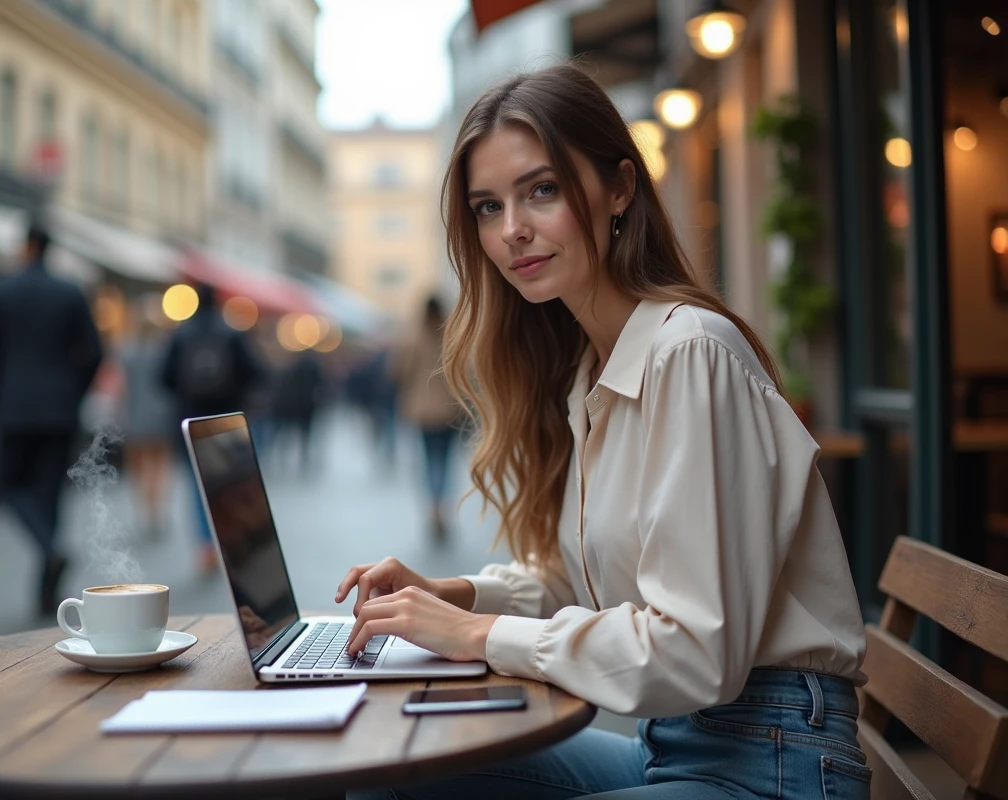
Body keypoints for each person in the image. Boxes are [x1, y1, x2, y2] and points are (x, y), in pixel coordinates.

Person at [338, 65, 868, 800]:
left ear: (620, 187)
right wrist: (452, 594)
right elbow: (577, 583)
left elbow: (695, 652)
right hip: (676, 748)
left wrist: (477, 638)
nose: (512, 228)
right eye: (488, 207)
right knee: (388, 775)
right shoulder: (592, 371)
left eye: (541, 190)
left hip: (772, 762)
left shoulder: (689, 354)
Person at [0, 220, 103, 615]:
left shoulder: (2, 291)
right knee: (48, 495)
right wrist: (74, 391)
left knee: (5, 481)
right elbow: (96, 352)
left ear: (27, 245)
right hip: (60, 409)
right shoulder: (70, 292)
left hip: (15, 406)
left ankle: (50, 556)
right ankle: (46, 589)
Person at [161, 282, 263, 573]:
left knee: (197, 485)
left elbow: (164, 377)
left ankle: (206, 546)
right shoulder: (232, 333)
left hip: (189, 420)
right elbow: (255, 373)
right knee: (229, 484)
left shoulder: (180, 334)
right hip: (227, 420)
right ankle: (231, 543)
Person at [393, 296, 464, 540]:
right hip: (449, 409)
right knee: (445, 461)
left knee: (429, 459)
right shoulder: (452, 336)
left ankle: (433, 509)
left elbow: (398, 372)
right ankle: (442, 508)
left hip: (422, 411)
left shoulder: (412, 337)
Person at [120, 311, 174, 538]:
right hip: (162, 416)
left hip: (135, 416)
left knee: (139, 469)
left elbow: (122, 390)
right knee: (160, 466)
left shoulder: (127, 353)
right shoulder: (164, 353)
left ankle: (145, 510)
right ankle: (156, 512)